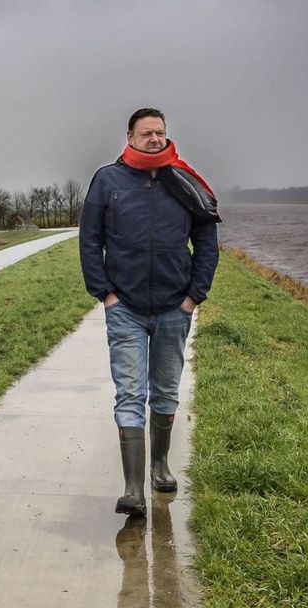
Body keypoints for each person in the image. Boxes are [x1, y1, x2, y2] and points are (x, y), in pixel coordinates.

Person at [79, 107, 220, 516]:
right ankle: (132, 490)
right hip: (125, 307)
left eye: (160, 132)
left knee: (165, 391)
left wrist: (194, 295)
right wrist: (104, 293)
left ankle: (159, 466)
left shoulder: (185, 181)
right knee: (129, 392)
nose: (155, 139)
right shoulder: (108, 180)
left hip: (175, 306)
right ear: (129, 136)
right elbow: (90, 240)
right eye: (146, 133)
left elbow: (207, 240)